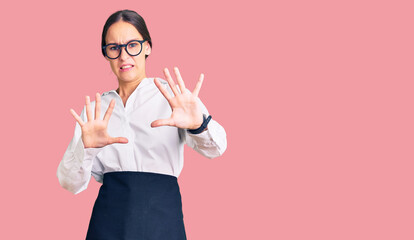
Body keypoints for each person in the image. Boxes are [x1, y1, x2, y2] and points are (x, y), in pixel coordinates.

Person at [56, 9, 227, 240]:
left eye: (132, 45)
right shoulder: (95, 111)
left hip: (163, 221)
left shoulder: (173, 97)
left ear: (147, 46)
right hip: (108, 225)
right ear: (105, 53)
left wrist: (198, 125)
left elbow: (217, 149)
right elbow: (70, 184)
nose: (124, 56)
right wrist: (85, 149)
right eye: (114, 48)